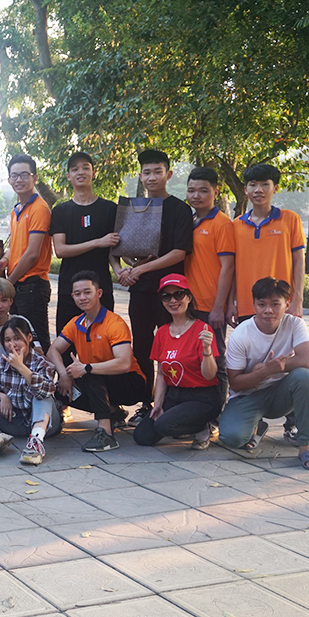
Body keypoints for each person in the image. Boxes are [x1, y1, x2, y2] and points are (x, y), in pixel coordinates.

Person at [115, 150, 194, 425]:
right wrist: (128, 266)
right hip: (140, 291)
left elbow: (179, 253)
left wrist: (140, 269)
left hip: (171, 292)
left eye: (157, 172)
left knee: (173, 347)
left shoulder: (180, 209)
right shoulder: (135, 208)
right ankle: (146, 403)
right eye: (147, 172)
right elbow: (123, 247)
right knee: (143, 348)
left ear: (168, 174)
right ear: (140, 176)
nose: (152, 177)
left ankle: (171, 402)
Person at [219, 278, 309, 470]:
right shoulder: (241, 335)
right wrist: (265, 371)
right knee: (232, 438)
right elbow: (235, 383)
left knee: (305, 377)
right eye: (262, 304)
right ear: (254, 305)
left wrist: (275, 368)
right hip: (247, 395)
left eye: (275, 304)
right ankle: (257, 426)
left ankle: (305, 444)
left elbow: (307, 360)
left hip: (280, 394)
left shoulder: (295, 324)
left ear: (287, 304)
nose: (268, 310)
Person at [47, 270, 147, 453]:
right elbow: (53, 350)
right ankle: (113, 412)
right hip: (99, 382)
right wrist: (63, 375)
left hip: (130, 383)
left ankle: (106, 433)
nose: (82, 297)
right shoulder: (76, 323)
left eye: (87, 292)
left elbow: (124, 363)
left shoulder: (114, 323)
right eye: (77, 294)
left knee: (90, 374)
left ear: (99, 293)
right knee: (60, 391)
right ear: (72, 296)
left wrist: (86, 368)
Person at [133, 275, 222, 450]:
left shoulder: (202, 329)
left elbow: (209, 375)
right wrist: (158, 404)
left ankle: (203, 426)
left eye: (178, 294)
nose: (173, 300)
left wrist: (207, 350)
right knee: (142, 436)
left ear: (188, 297)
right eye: (166, 296)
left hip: (202, 396)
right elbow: (161, 373)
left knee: (164, 426)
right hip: (174, 395)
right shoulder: (162, 332)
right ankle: (186, 422)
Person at [0, 317, 61, 465]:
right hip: (13, 420)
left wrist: (21, 367)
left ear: (29, 338)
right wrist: (2, 396)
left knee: (42, 395)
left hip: (45, 424)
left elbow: (47, 390)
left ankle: (36, 443)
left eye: (17, 338)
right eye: (7, 340)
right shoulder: (2, 363)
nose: (12, 344)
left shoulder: (42, 362)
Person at [50, 152, 118, 336]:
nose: (80, 172)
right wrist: (97, 242)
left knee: (102, 341)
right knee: (66, 342)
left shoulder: (110, 209)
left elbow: (113, 249)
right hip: (70, 289)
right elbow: (60, 250)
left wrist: (119, 271)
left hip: (101, 288)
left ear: (94, 173)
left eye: (85, 168)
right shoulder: (60, 211)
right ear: (68, 176)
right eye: (75, 169)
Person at [230, 164, 306, 322]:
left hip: (281, 305)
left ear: (275, 188)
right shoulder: (236, 225)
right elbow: (231, 268)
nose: (259, 190)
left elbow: (299, 261)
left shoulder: (290, 219)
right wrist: (230, 303)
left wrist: (297, 300)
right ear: (246, 189)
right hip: (247, 305)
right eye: (253, 185)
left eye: (265, 184)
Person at [185, 166, 234, 400]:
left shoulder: (222, 224)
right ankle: (197, 406)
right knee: (194, 357)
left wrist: (218, 307)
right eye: (191, 190)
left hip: (209, 306)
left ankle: (217, 409)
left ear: (216, 192)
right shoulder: (190, 220)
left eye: (203, 191)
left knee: (215, 358)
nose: (196, 195)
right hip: (188, 304)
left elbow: (228, 267)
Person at [4, 155, 53, 353]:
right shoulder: (16, 210)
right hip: (19, 284)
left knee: (38, 342)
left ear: (35, 177)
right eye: (14, 176)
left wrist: (9, 281)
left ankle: (48, 374)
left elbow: (32, 253)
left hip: (32, 285)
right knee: (19, 342)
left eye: (24, 175)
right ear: (9, 179)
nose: (19, 180)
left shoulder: (39, 208)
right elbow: (14, 247)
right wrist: (3, 260)